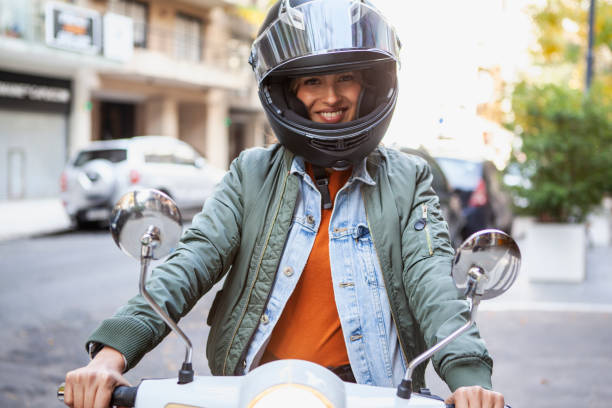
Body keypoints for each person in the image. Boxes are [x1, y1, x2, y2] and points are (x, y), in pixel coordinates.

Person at [63, 1, 505, 407]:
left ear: (369, 85)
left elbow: (434, 286)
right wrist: (111, 354)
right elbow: (191, 260)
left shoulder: (409, 179)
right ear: (289, 91)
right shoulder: (250, 173)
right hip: (254, 389)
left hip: (371, 391)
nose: (330, 97)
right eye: (312, 80)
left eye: (344, 77)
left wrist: (470, 380)